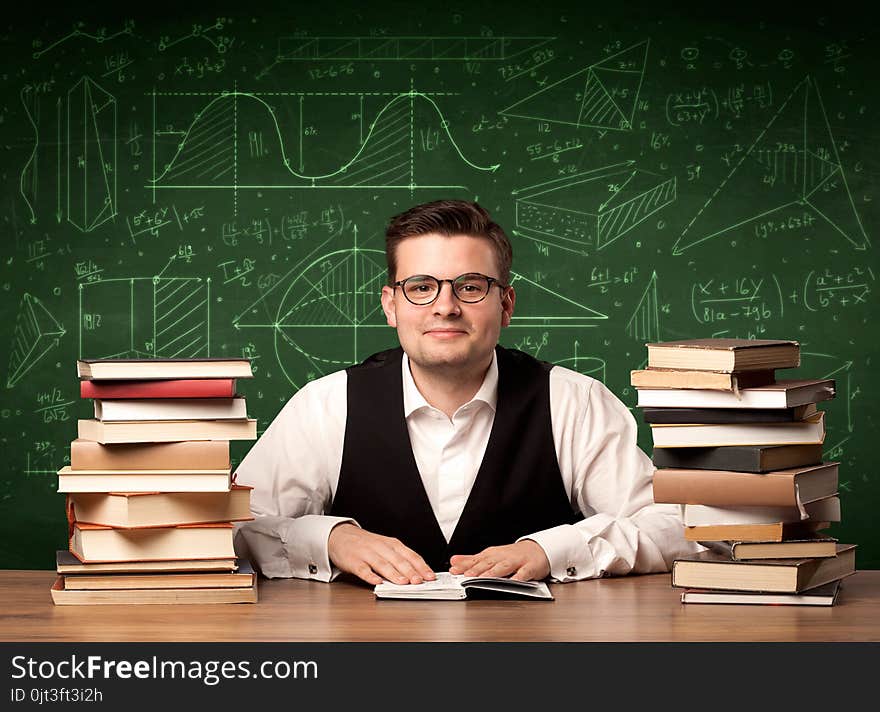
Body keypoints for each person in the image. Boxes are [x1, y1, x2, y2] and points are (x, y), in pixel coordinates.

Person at [233, 199, 699, 586]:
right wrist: (330, 540)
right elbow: (233, 528)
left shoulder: (573, 401)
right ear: (391, 306)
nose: (445, 307)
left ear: (507, 303)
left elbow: (677, 526)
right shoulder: (327, 404)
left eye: (470, 287)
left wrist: (554, 549)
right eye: (421, 287)